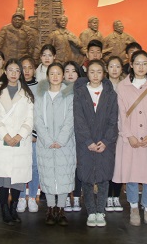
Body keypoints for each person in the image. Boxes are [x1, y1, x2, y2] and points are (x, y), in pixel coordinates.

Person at [113, 50, 147, 230]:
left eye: (145, 63)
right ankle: (134, 208)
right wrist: (129, 135)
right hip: (130, 138)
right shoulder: (123, 87)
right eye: (137, 63)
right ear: (131, 65)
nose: (141, 67)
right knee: (132, 176)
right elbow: (121, 114)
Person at [0, 59, 34, 226]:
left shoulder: (26, 93)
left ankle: (13, 208)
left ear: (20, 73)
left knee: (18, 177)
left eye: (17, 70)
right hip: (2, 140)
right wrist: (5, 136)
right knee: (3, 177)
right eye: (11, 70)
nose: (14, 73)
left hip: (21, 141)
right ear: (5, 72)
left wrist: (20, 135)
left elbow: (30, 117)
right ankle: (4, 209)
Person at [74, 60, 118, 227]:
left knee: (103, 177)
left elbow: (113, 120)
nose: (95, 75)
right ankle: (91, 212)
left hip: (105, 143)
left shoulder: (111, 94)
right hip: (85, 143)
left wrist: (105, 141)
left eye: (99, 71)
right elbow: (78, 119)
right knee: (86, 177)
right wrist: (88, 141)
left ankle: (101, 211)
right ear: (87, 73)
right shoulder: (80, 93)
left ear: (103, 73)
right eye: (92, 71)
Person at [35, 63, 76, 226]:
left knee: (64, 175)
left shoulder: (69, 95)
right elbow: (37, 118)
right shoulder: (41, 94)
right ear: (47, 76)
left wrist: (61, 140)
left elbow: (71, 119)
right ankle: (51, 208)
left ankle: (61, 209)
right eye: (52, 73)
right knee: (48, 175)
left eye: (58, 73)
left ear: (63, 75)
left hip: (65, 144)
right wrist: (47, 139)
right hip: (45, 143)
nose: (55, 76)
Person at [18, 55, 40, 214]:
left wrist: (35, 133)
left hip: (34, 136)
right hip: (18, 135)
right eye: (23, 68)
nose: (26, 71)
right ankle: (20, 197)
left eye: (30, 68)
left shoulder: (40, 87)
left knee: (34, 167)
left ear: (34, 70)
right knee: (20, 166)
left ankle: (32, 197)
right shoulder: (15, 86)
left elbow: (41, 113)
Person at [62, 60, 84, 212]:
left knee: (78, 165)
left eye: (73, 71)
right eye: (67, 71)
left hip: (80, 133)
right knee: (65, 165)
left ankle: (76, 196)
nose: (70, 74)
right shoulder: (58, 90)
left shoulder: (84, 90)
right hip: (64, 134)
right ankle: (65, 196)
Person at [105, 56, 124, 212]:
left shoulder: (126, 86)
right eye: (111, 66)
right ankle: (106, 196)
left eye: (117, 66)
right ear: (107, 69)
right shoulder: (103, 85)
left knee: (120, 164)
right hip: (106, 130)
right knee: (107, 164)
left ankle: (116, 196)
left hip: (123, 130)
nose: (114, 69)